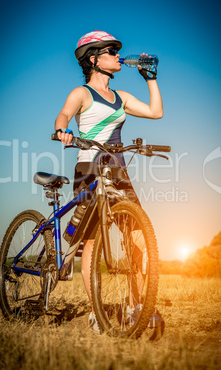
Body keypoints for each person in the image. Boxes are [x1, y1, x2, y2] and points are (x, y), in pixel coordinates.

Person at [55, 31, 163, 333]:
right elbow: (63, 115)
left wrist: (149, 78)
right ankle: (95, 311)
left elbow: (156, 112)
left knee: (136, 234)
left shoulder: (121, 98)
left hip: (118, 171)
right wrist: (63, 131)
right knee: (90, 241)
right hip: (89, 168)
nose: (118, 56)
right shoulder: (82, 94)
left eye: (117, 52)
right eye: (111, 52)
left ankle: (136, 306)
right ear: (94, 59)